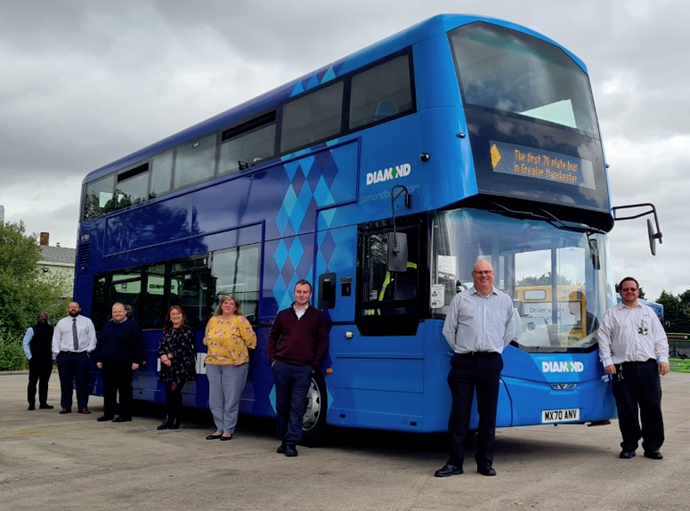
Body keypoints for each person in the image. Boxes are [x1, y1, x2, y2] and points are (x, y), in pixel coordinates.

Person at [435, 259, 516, 477]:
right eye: (479, 272)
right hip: (464, 362)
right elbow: (448, 330)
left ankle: (485, 462)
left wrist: (494, 348)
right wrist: (464, 350)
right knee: (459, 413)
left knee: (488, 414)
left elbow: (510, 331)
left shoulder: (505, 301)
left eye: (487, 272)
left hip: (491, 362)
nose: (484, 276)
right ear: (473, 275)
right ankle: (454, 463)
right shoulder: (461, 300)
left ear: (493, 274)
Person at [598, 276, 669, 460]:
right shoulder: (612, 314)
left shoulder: (648, 313)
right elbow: (604, 340)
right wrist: (607, 361)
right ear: (620, 292)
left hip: (648, 367)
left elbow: (660, 338)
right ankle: (629, 445)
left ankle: (653, 446)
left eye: (633, 289)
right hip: (622, 369)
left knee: (652, 407)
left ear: (638, 291)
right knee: (626, 408)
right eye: (625, 289)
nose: (629, 292)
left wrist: (663, 359)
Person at [267, 279, 328, 457]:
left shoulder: (318, 316)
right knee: (282, 406)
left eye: (305, 292)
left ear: (310, 294)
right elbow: (272, 337)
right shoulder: (283, 315)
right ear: (294, 293)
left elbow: (323, 341)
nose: (301, 295)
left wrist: (314, 364)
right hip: (282, 366)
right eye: (299, 291)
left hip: (304, 368)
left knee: (298, 406)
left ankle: (291, 443)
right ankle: (283, 439)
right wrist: (272, 360)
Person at [203, 294, 257, 441]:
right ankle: (219, 428)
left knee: (231, 398)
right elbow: (206, 339)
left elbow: (251, 341)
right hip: (213, 364)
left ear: (236, 307)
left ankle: (228, 429)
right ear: (221, 305)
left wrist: (237, 351)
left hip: (234, 365)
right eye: (225, 303)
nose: (228, 306)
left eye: (231, 304)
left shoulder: (240, 320)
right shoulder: (213, 321)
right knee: (215, 398)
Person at [95, 302, 144, 422]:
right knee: (108, 389)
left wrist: (137, 361)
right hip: (107, 363)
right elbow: (100, 343)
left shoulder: (132, 326)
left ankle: (125, 415)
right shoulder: (107, 325)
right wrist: (99, 359)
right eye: (115, 312)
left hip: (125, 363)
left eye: (119, 312)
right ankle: (108, 414)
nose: (117, 314)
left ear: (125, 312)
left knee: (124, 390)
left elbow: (140, 344)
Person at [52, 301, 97, 414]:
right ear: (68, 309)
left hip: (81, 355)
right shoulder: (61, 323)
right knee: (65, 382)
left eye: (75, 307)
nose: (73, 309)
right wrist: (57, 353)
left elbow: (92, 337)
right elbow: (56, 339)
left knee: (82, 382)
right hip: (65, 356)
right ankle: (66, 406)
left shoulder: (87, 322)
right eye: (71, 307)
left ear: (79, 309)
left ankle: (82, 407)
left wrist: (89, 350)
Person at [157, 305, 197, 430]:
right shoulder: (167, 330)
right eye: (173, 314)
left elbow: (183, 347)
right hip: (167, 366)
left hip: (182, 365)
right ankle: (168, 418)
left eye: (178, 314)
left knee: (175, 390)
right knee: (169, 392)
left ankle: (176, 418)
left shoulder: (187, 330)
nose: (175, 316)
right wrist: (163, 356)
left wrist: (169, 356)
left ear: (182, 316)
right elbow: (161, 346)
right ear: (169, 317)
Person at [22, 311, 55, 410]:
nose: (43, 318)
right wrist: (29, 357)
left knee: (44, 382)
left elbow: (55, 343)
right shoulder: (32, 329)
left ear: (47, 318)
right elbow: (25, 343)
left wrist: (54, 357)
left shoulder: (52, 329)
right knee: (32, 382)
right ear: (38, 318)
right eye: (41, 317)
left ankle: (43, 403)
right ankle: (31, 403)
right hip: (35, 359)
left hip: (47, 360)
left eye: (45, 316)